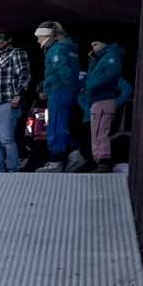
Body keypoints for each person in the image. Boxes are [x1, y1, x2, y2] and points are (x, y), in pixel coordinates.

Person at [0, 30, 31, 173]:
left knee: (6, 139)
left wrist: (19, 94)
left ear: (9, 40)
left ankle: (12, 170)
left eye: (2, 38)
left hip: (8, 101)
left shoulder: (16, 53)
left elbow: (25, 73)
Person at [35, 21, 81, 172]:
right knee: (62, 124)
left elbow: (61, 72)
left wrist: (48, 88)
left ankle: (57, 161)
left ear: (47, 36)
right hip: (67, 91)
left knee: (55, 124)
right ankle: (74, 154)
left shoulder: (55, 50)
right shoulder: (69, 48)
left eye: (39, 37)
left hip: (59, 91)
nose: (38, 41)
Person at [80, 41, 130, 173]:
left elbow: (123, 86)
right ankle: (98, 163)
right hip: (93, 107)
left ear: (104, 44)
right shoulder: (101, 61)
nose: (93, 47)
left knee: (101, 132)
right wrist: (92, 60)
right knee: (96, 135)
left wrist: (91, 86)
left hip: (102, 101)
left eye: (96, 44)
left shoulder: (112, 57)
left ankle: (104, 163)